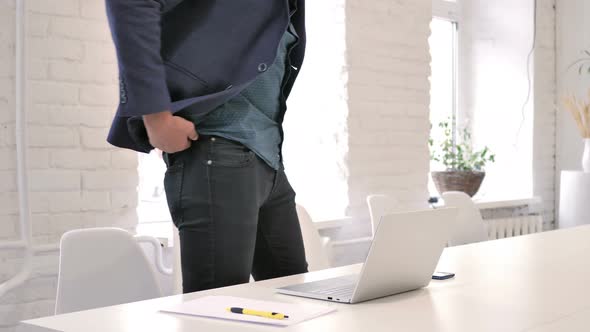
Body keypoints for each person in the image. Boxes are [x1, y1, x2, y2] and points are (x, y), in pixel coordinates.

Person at [104, 0, 309, 293]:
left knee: (296, 299)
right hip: (217, 147)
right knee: (215, 310)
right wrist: (156, 116)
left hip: (269, 158)